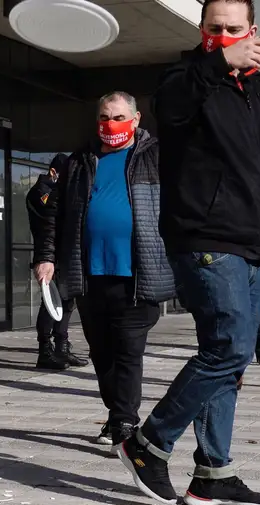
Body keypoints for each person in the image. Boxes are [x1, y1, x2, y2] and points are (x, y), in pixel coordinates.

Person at [117, 0, 260, 505]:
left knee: (229, 359)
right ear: (202, 31)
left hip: (249, 242)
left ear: (253, 29)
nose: (224, 36)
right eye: (215, 29)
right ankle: (147, 443)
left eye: (234, 29)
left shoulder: (258, 91)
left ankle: (213, 473)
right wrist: (219, 61)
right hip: (205, 237)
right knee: (229, 350)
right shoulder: (187, 74)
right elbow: (169, 107)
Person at [34, 91, 173, 452]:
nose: (110, 125)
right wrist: (46, 257)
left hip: (137, 276)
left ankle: (126, 422)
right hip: (90, 275)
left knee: (128, 350)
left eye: (118, 117)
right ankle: (117, 413)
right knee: (102, 354)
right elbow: (55, 215)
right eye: (104, 118)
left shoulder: (156, 157)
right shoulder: (79, 161)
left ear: (136, 119)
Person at [26, 153, 88, 371]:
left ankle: (62, 346)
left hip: (67, 253)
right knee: (51, 302)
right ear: (53, 173)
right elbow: (47, 217)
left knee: (67, 302)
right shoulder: (41, 192)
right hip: (50, 255)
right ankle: (45, 350)